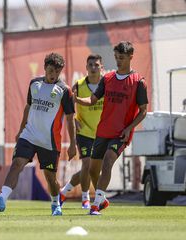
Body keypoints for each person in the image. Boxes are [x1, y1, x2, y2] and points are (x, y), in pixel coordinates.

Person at [0, 53, 77, 216]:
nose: (53, 74)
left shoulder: (64, 91)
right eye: (50, 70)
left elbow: (70, 118)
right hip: (28, 135)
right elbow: (28, 107)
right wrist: (21, 130)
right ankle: (2, 199)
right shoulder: (34, 84)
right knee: (17, 164)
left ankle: (55, 203)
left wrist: (72, 144)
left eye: (56, 71)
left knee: (50, 177)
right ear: (45, 68)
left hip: (49, 141)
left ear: (60, 71)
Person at [74, 41, 148, 215]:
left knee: (107, 162)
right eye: (116, 57)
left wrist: (129, 128)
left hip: (120, 133)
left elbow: (143, 111)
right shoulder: (107, 79)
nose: (118, 61)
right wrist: (76, 99)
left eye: (121, 58)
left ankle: (96, 204)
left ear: (131, 57)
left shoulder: (138, 82)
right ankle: (103, 199)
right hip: (103, 131)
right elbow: (92, 100)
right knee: (93, 169)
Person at [59, 54, 104, 209]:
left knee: (94, 169)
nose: (93, 68)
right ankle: (86, 199)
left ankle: (64, 192)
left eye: (96, 65)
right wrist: (75, 120)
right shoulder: (78, 85)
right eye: (90, 65)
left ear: (101, 67)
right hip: (84, 131)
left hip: (102, 134)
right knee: (86, 164)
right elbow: (68, 108)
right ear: (86, 67)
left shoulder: (107, 85)